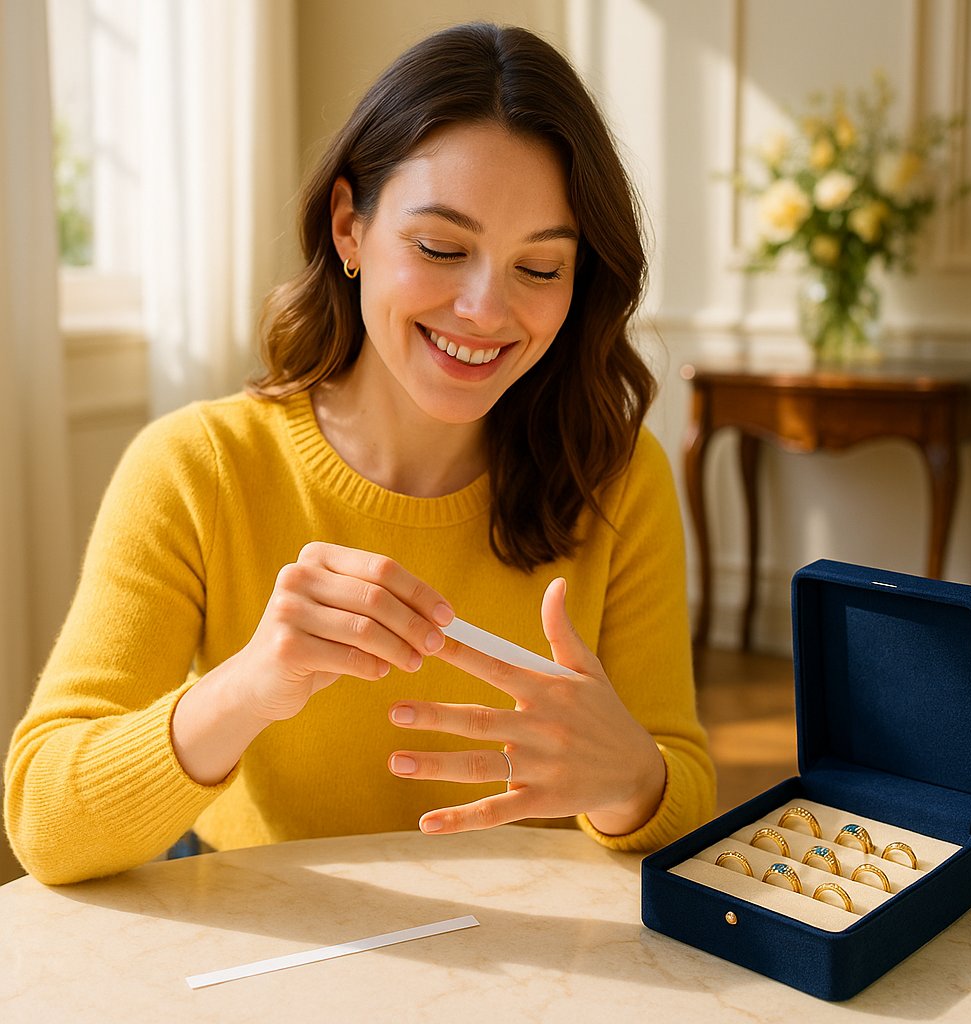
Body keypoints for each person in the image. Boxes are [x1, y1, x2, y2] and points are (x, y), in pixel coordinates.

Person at [4, 22, 715, 885]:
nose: (487, 311)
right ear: (349, 227)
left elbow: (678, 793)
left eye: (541, 269)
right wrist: (249, 685)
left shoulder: (616, 475)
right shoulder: (198, 468)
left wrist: (631, 780)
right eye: (442, 248)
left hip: (524, 951)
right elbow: (45, 822)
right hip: (266, 940)